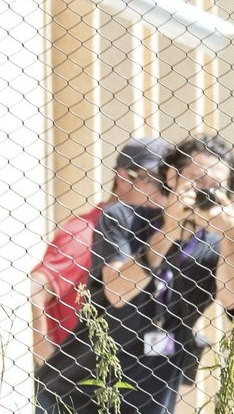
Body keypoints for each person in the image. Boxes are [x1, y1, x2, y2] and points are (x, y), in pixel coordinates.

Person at [36, 133, 234, 414]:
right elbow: (118, 291)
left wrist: (231, 236)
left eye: (216, 186)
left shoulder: (215, 244)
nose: (205, 192)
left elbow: (232, 300)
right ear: (172, 177)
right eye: (196, 181)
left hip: (143, 408)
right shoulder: (123, 219)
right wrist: (168, 230)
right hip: (77, 393)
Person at [29, 137, 170, 369]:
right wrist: (50, 365)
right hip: (81, 375)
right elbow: (35, 288)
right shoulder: (87, 231)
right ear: (124, 178)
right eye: (156, 181)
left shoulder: (151, 234)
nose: (164, 194)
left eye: (169, 185)